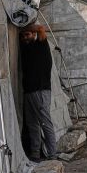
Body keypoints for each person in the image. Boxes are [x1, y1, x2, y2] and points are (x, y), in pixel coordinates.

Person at [20, 25, 56, 162]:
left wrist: (24, 26)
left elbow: (41, 28)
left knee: (45, 123)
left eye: (27, 34)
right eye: (23, 36)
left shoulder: (41, 44)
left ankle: (52, 155)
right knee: (32, 124)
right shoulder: (26, 48)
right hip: (29, 91)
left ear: (33, 34)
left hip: (41, 91)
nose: (25, 38)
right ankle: (35, 153)